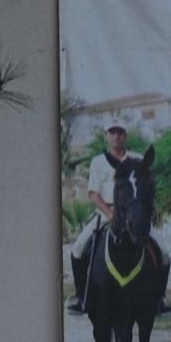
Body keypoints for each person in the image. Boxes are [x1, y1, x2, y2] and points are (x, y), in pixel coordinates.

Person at [69, 123, 135, 315]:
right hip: (106, 214)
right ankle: (82, 297)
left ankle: (159, 298)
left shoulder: (136, 159)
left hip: (131, 216)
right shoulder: (98, 162)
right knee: (78, 249)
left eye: (120, 132)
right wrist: (110, 213)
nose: (116, 136)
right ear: (107, 135)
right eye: (112, 132)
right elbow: (93, 194)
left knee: (162, 250)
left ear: (125, 135)